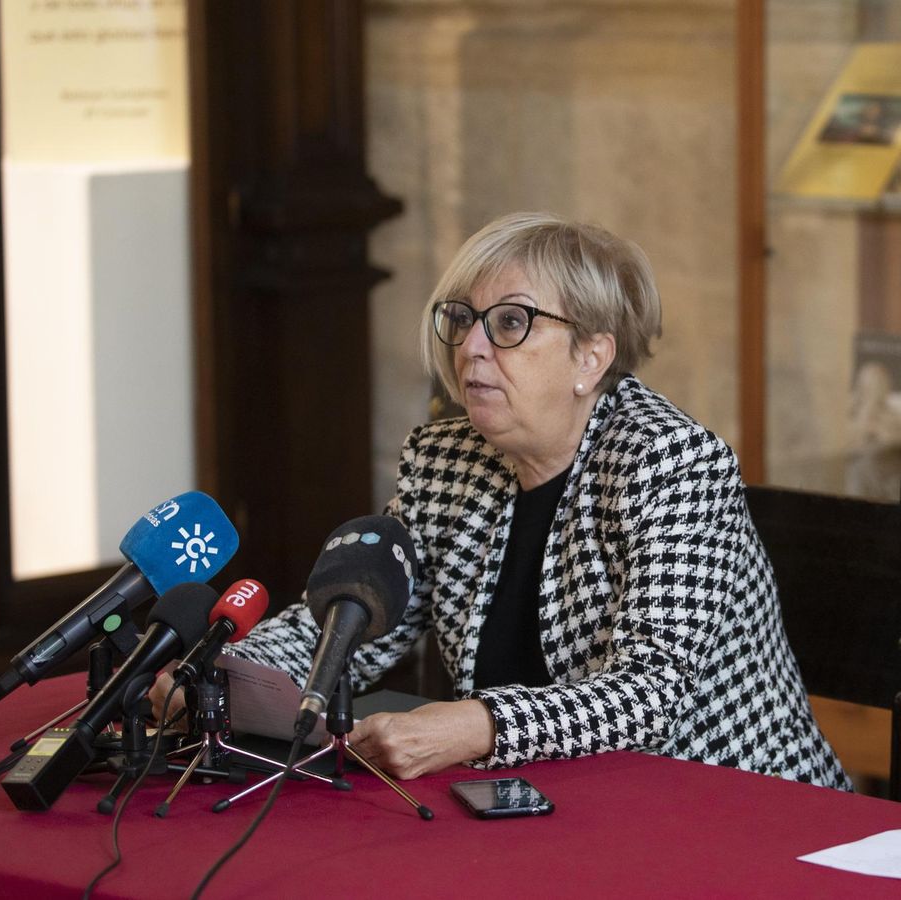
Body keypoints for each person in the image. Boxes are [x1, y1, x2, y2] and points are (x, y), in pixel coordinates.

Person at [183, 212, 849, 789]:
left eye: (510, 323)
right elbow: (355, 631)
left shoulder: (671, 462)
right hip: (544, 801)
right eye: (462, 320)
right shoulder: (444, 460)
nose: (472, 348)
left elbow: (652, 696)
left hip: (723, 803)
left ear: (591, 357)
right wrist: (221, 677)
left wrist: (479, 725)